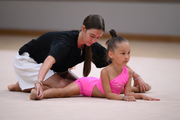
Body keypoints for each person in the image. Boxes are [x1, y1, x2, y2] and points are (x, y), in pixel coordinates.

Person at [8, 14, 149, 100]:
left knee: (78, 86)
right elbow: (48, 60)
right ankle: (23, 85)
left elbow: (115, 58)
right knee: (64, 86)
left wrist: (137, 77)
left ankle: (23, 83)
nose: (94, 40)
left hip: (54, 68)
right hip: (28, 61)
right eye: (92, 35)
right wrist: (38, 81)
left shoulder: (91, 44)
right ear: (83, 29)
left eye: (98, 37)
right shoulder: (65, 41)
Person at [29, 29, 159, 101]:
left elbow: (128, 91)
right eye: (123, 53)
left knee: (119, 87)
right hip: (85, 86)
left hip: (104, 86)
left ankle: (143, 88)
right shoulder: (106, 72)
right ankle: (41, 94)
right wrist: (124, 97)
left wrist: (143, 96)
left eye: (129, 53)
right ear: (111, 55)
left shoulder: (128, 72)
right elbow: (109, 95)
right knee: (64, 92)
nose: (126, 57)